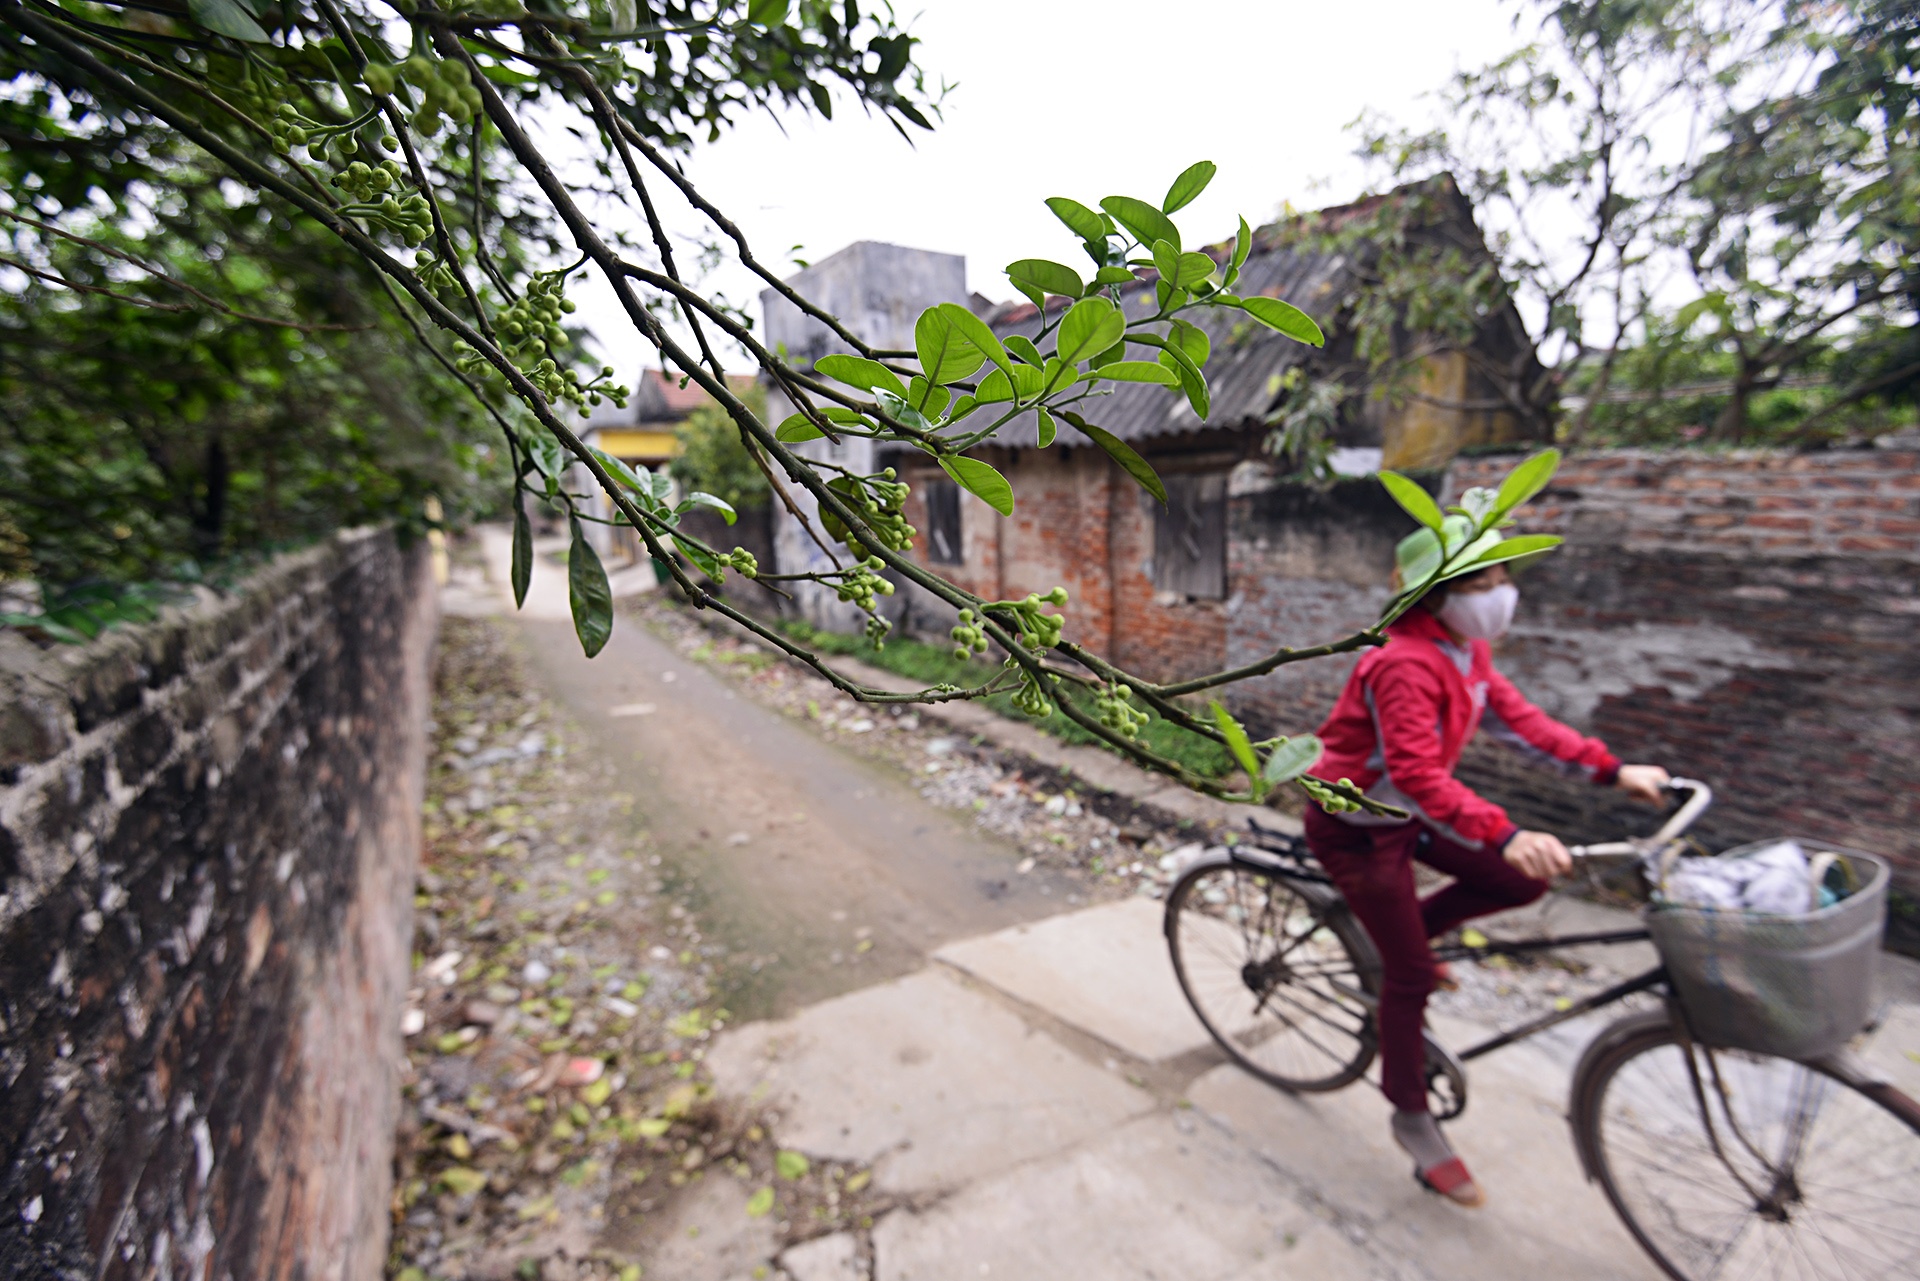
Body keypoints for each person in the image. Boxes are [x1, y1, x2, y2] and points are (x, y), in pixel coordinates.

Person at [1305, 521, 1669, 1208]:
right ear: (1435, 594)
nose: (1500, 595)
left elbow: (1522, 722)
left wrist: (1612, 770)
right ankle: (1410, 1113)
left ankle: (1405, 939)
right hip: (1358, 827)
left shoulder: (1465, 650)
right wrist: (1503, 832)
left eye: (1503, 580)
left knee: (1522, 879)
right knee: (1411, 974)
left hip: (1406, 815)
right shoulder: (1402, 662)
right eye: (1482, 583)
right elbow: (1414, 773)